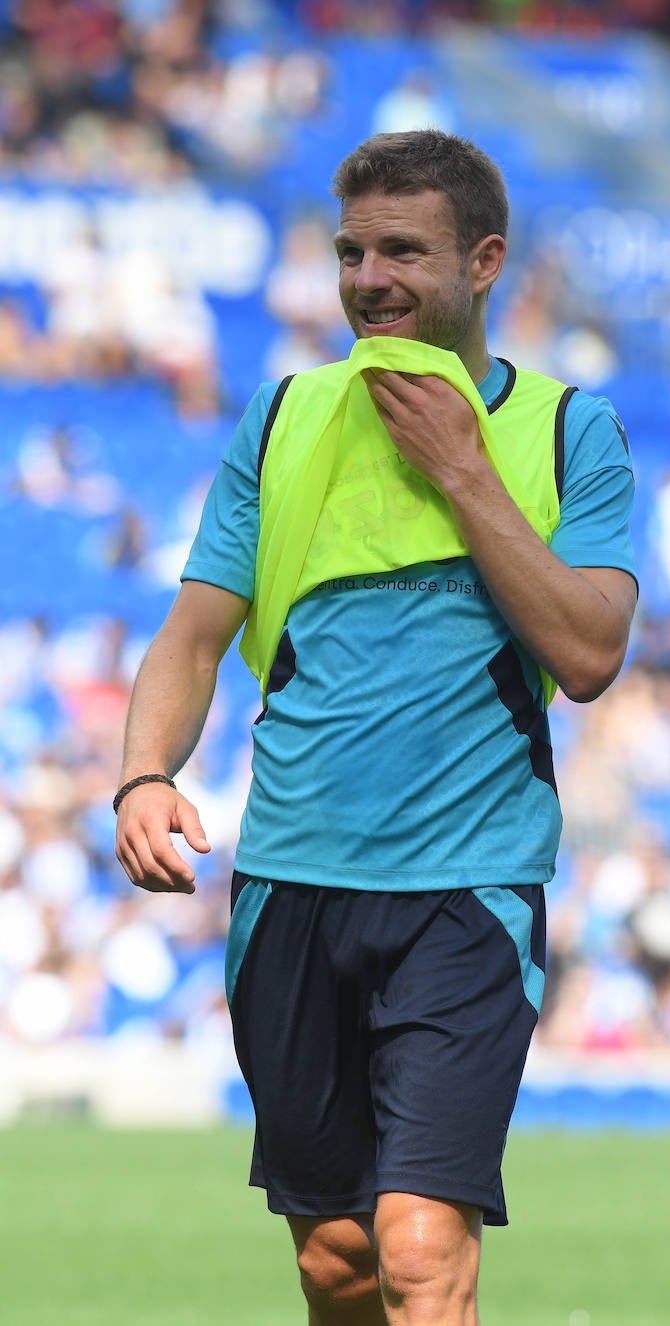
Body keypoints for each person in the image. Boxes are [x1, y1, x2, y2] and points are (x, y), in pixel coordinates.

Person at [114, 130, 637, 1326]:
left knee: (420, 1252)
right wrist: (143, 775)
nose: (369, 279)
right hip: (290, 888)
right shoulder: (281, 417)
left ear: (485, 263)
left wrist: (463, 471)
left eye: (403, 251)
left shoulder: (570, 431)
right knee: (338, 1265)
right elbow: (191, 637)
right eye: (352, 253)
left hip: (468, 891)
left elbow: (590, 654)